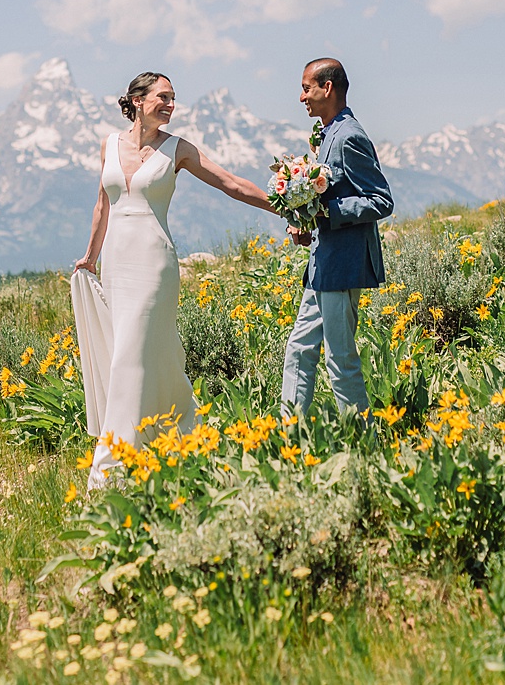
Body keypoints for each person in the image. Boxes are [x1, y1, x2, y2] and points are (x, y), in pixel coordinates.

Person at [73, 71, 276, 486]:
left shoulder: (178, 149)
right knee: (145, 355)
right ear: (137, 100)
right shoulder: (108, 145)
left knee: (131, 352)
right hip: (115, 263)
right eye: (163, 97)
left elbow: (231, 184)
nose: (170, 105)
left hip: (154, 264)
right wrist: (90, 257)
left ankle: (111, 465)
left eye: (173, 99)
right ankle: (180, 432)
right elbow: (102, 205)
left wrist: (286, 206)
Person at [282, 58, 394, 420]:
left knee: (340, 358)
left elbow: (380, 200)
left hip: (342, 265)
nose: (301, 98)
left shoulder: (349, 136)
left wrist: (324, 214)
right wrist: (305, 218)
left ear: (327, 88)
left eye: (306, 88)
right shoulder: (328, 132)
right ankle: (288, 435)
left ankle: (363, 443)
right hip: (322, 264)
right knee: (300, 349)